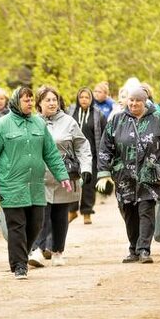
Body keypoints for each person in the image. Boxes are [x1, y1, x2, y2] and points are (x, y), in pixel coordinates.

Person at [0, 85, 71, 280]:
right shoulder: (3, 124)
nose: (29, 103)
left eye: (30, 100)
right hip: (11, 185)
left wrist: (63, 175)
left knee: (36, 224)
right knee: (17, 226)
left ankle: (19, 257)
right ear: (16, 102)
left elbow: (50, 153)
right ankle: (19, 265)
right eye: (25, 100)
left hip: (35, 185)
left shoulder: (38, 124)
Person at [97, 86, 160, 263]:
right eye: (131, 100)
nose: (134, 103)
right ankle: (133, 249)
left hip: (150, 176)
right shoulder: (116, 120)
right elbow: (106, 147)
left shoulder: (159, 119)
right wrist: (104, 173)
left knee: (146, 211)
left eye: (138, 100)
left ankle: (144, 249)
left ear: (145, 102)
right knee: (128, 212)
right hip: (124, 177)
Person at [30, 86, 91, 267]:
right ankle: (38, 250)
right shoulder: (32, 122)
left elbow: (82, 145)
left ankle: (58, 251)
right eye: (47, 100)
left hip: (64, 176)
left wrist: (86, 167)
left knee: (60, 215)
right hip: (39, 176)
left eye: (54, 100)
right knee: (40, 214)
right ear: (39, 103)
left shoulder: (69, 122)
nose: (51, 103)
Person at [66, 86, 106, 224]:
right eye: (81, 97)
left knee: (89, 184)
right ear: (78, 99)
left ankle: (87, 212)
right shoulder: (70, 112)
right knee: (72, 183)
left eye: (87, 97)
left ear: (91, 99)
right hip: (72, 155)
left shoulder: (98, 114)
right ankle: (72, 211)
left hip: (91, 155)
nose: (84, 100)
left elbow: (104, 134)